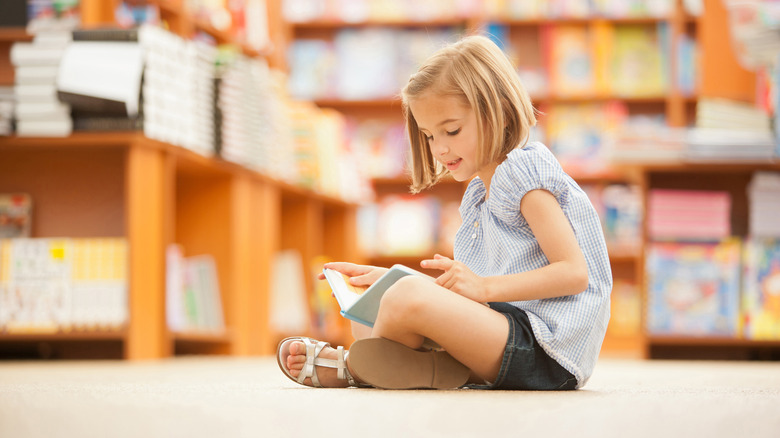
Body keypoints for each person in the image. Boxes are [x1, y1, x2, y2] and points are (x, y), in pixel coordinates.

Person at [277, 35, 612, 390]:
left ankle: (352, 368)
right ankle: (431, 369)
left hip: (546, 350)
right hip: (505, 332)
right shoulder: (482, 192)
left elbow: (574, 273)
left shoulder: (524, 174)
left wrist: (479, 287)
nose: (440, 148)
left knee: (402, 299)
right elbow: (471, 295)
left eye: (451, 130)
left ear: (494, 109)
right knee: (369, 306)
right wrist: (388, 278)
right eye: (428, 136)